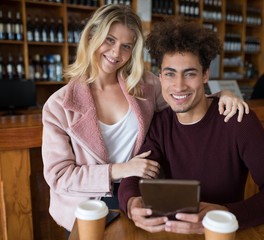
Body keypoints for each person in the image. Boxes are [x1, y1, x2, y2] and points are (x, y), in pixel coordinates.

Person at [41, 4, 248, 233]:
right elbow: (59, 177)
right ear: (91, 37)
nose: (116, 53)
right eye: (109, 40)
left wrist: (223, 95)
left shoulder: (146, 85)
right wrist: (119, 170)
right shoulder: (59, 105)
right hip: (87, 208)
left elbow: (182, 98)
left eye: (126, 46)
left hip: (138, 195)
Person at [118, 18, 264, 234]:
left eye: (190, 73)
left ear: (205, 75)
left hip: (223, 233)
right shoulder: (160, 123)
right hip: (175, 232)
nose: (179, 85)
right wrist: (131, 204)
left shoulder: (237, 120)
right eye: (170, 73)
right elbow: (134, 175)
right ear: (160, 77)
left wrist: (224, 214)